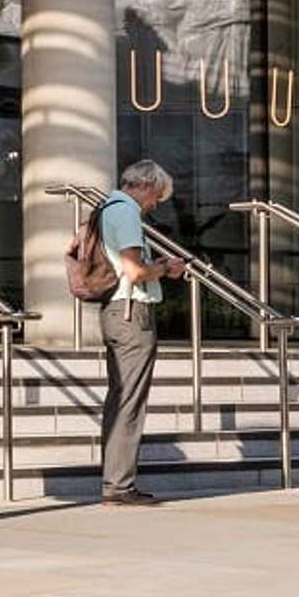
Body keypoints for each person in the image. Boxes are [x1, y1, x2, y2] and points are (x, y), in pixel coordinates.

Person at [90, 160, 177, 507]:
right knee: (129, 402)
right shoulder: (125, 212)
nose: (154, 204)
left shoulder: (105, 207)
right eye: (155, 196)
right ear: (142, 184)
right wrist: (166, 268)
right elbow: (134, 270)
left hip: (114, 311)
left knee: (120, 398)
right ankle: (119, 485)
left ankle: (117, 481)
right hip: (130, 312)